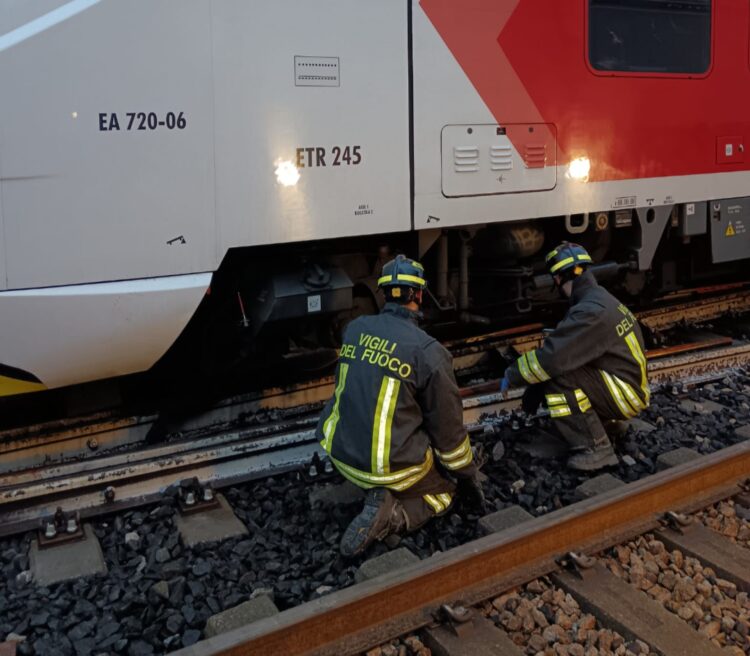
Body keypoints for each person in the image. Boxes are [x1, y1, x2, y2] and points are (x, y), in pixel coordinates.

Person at [316, 254, 485, 556]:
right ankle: (392, 516)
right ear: (419, 294)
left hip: (340, 454)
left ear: (383, 293)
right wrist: (466, 473)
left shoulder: (355, 329)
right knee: (443, 493)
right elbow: (448, 432)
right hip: (386, 470)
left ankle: (374, 491)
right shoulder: (428, 352)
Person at [500, 242, 650, 471]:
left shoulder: (589, 312)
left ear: (559, 278)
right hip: (628, 388)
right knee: (563, 367)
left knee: (560, 376)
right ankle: (606, 424)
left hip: (624, 396)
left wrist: (513, 374)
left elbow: (553, 359)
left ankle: (596, 447)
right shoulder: (601, 299)